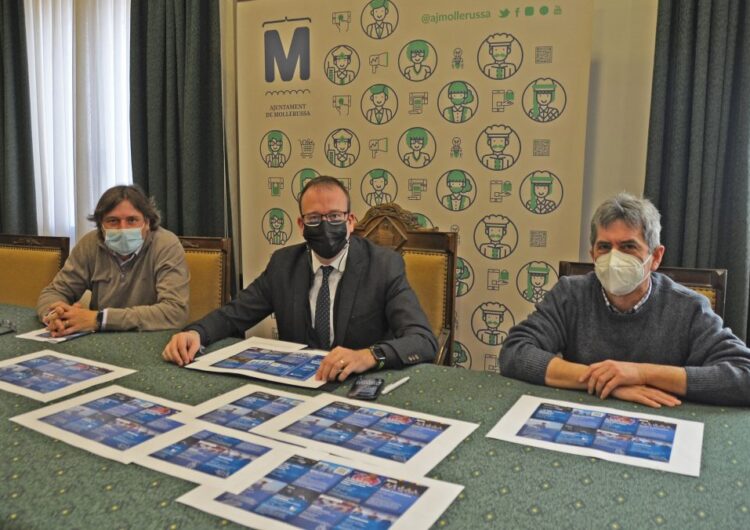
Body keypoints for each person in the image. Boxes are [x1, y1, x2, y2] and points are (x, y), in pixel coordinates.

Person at [162, 176, 437, 382]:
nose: (326, 225)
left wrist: (369, 355)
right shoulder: (284, 264)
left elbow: (422, 340)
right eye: (315, 218)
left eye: (334, 216)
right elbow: (235, 314)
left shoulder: (384, 265)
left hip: (357, 386)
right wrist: (196, 333)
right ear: (301, 225)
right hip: (298, 386)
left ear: (350, 221)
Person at [500, 192, 750, 407]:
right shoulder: (570, 294)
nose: (614, 257)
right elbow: (515, 352)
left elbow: (744, 375)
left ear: (655, 257)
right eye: (604, 247)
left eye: (628, 246)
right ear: (592, 254)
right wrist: (608, 382)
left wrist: (640, 373)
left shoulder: (688, 307)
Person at [37, 185, 190, 336]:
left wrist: (101, 319)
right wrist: (56, 314)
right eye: (113, 221)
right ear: (101, 226)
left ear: (147, 223)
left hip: (150, 338)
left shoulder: (166, 245)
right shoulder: (90, 243)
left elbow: (175, 312)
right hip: (99, 340)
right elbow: (55, 291)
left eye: (132, 220)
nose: (123, 228)